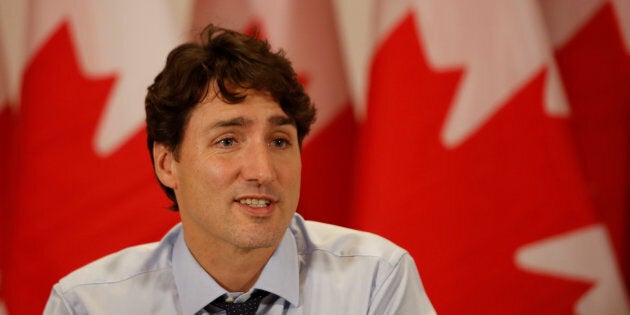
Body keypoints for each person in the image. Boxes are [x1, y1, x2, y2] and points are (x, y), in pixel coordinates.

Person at [43, 24, 436, 315]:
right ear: (167, 163)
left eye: (279, 141)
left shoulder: (374, 282)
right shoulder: (88, 305)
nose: (262, 171)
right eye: (228, 141)